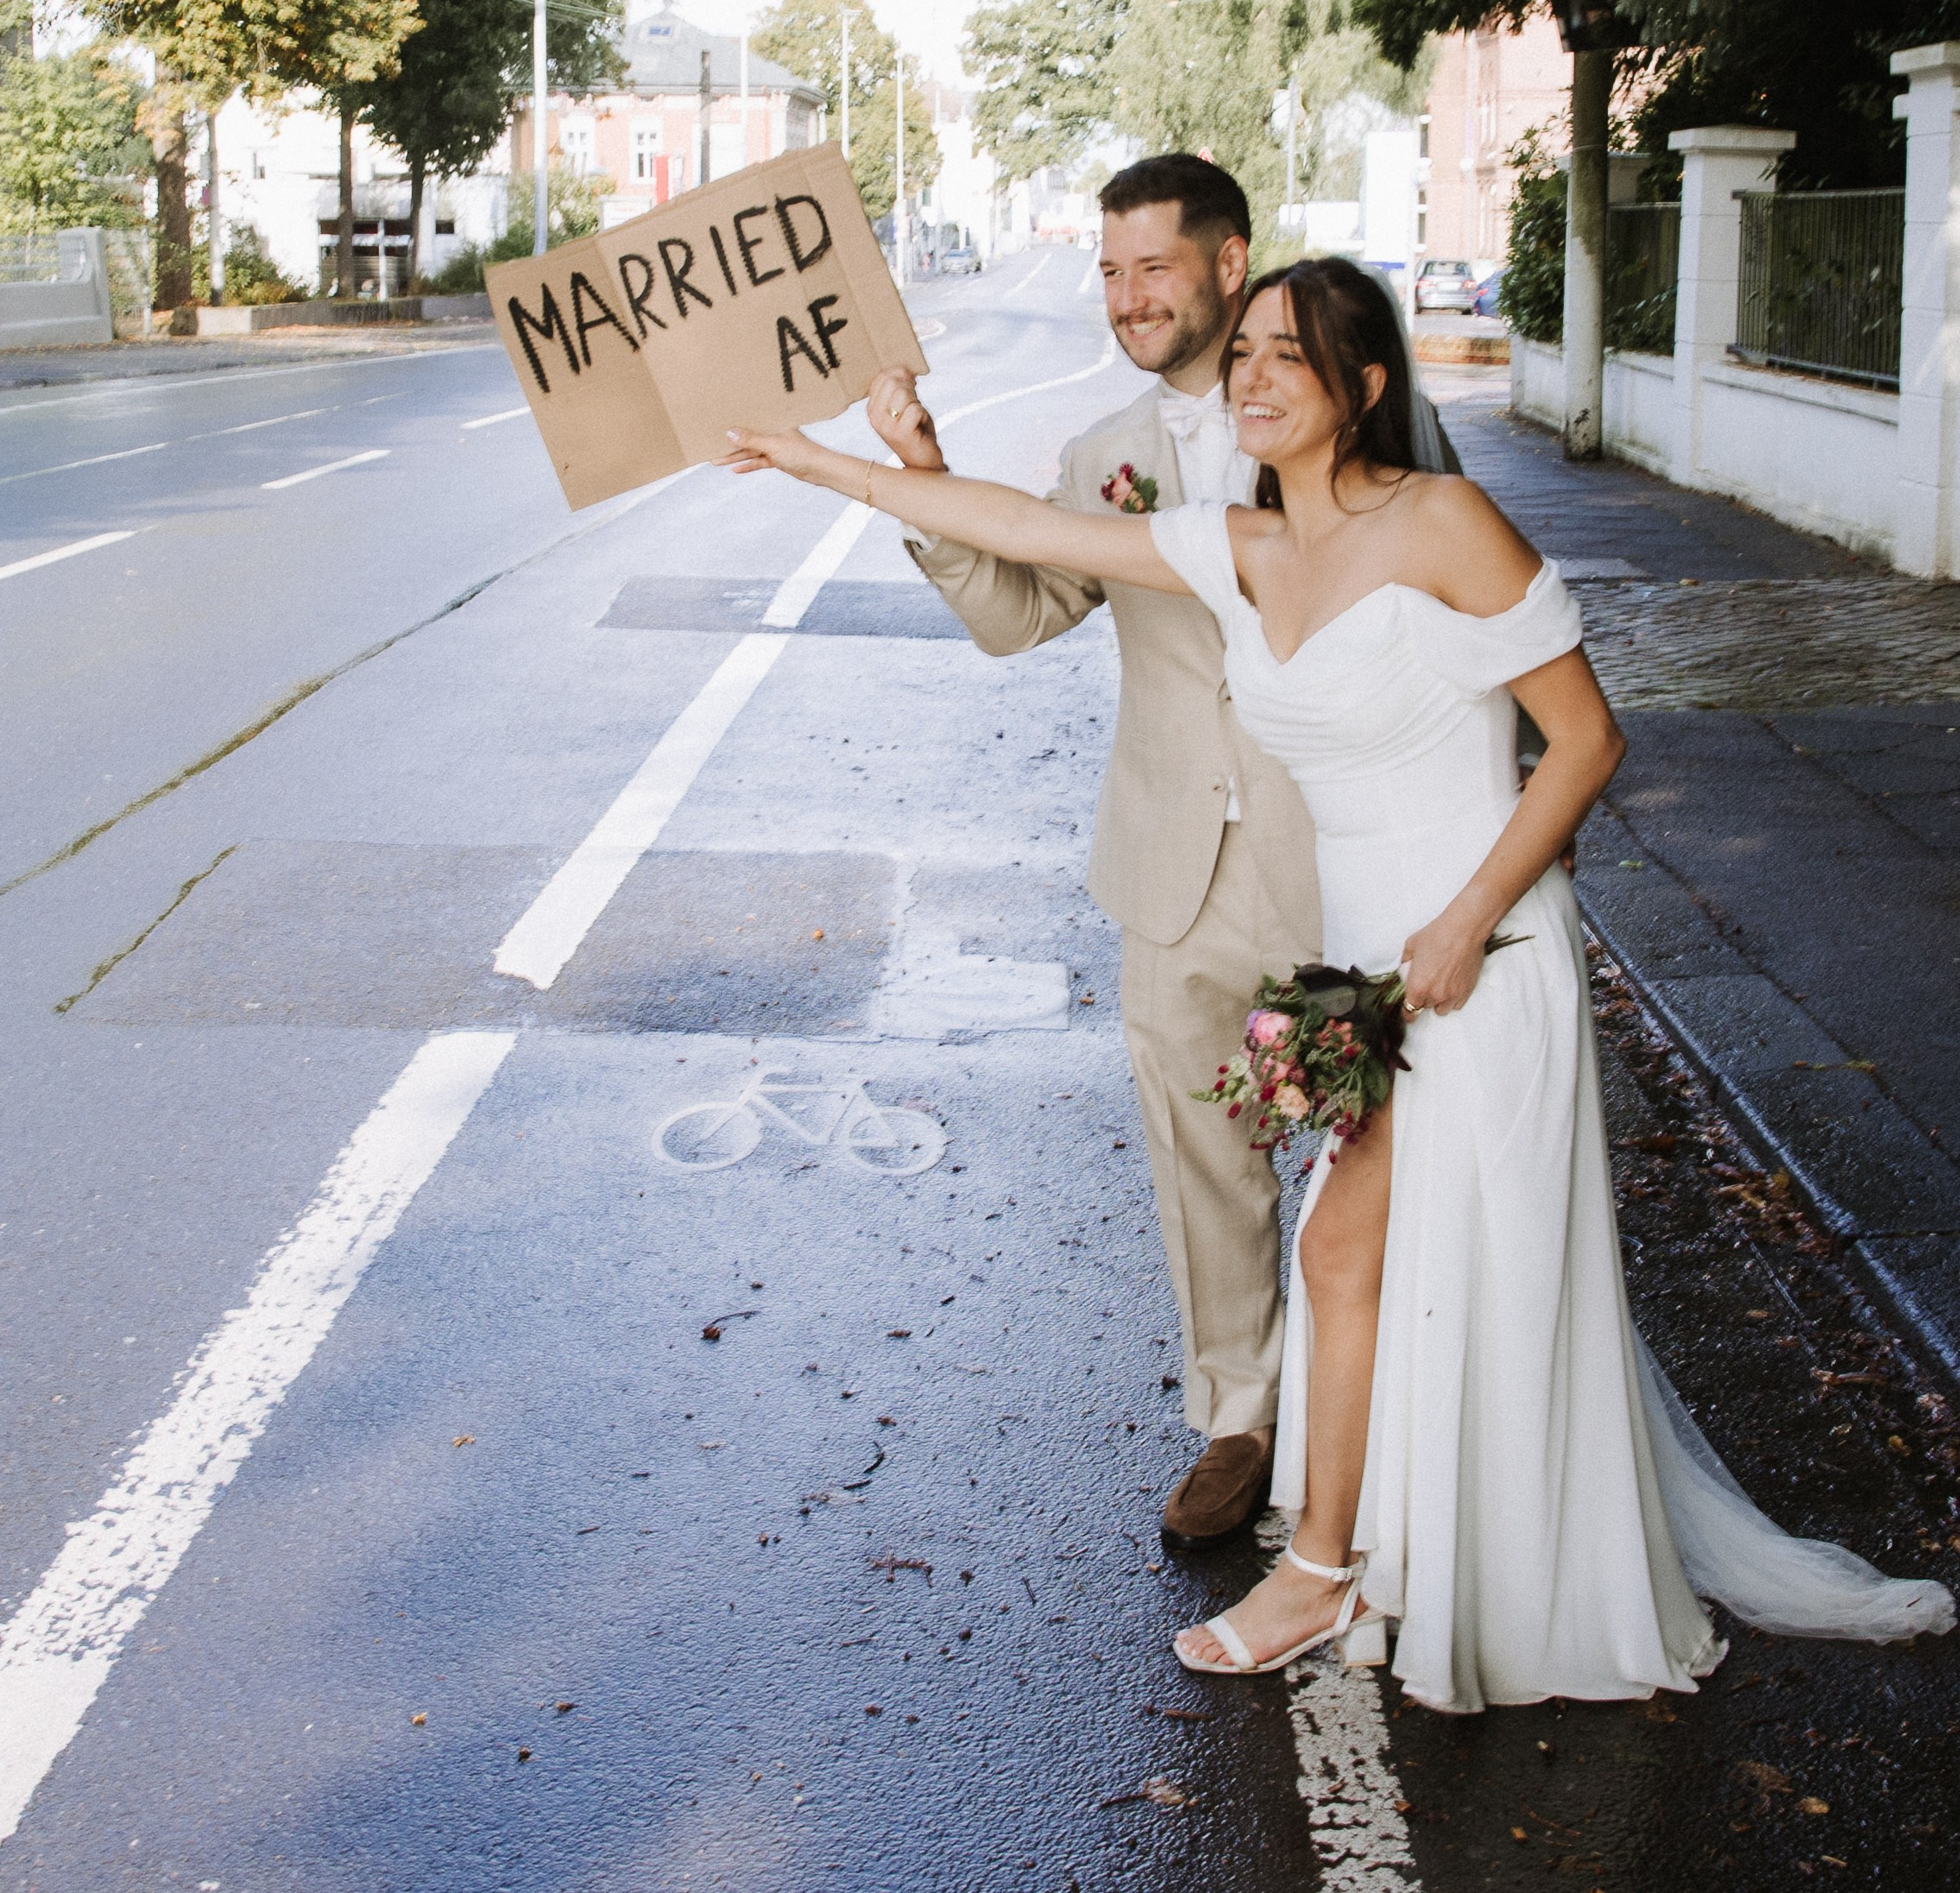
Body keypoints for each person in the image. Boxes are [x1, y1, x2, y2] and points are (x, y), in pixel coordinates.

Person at [729, 256, 1952, 1711]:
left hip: (1480, 959)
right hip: (1363, 974)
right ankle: (1369, 1558)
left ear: (1362, 387)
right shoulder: (1245, 547)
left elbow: (1586, 740)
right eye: (1244, 350)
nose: (1252, 375)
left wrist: (1465, 922)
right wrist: (818, 462)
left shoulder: (1441, 520)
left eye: (1288, 356)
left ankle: (1350, 1568)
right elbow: (1026, 527)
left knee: (1392, 1260)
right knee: (1363, 1264)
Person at [862, 154, 1455, 1556]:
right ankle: (1239, 1417)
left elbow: (1452, 620)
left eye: (1154, 268)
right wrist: (924, 478)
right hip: (1171, 863)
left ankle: (1397, 1414)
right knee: (1203, 1154)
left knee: (1383, 1144)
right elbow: (1020, 614)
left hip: (1342, 856)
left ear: (1229, 262)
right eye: (1111, 272)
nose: (1128, 297)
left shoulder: (1351, 421)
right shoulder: (1104, 455)